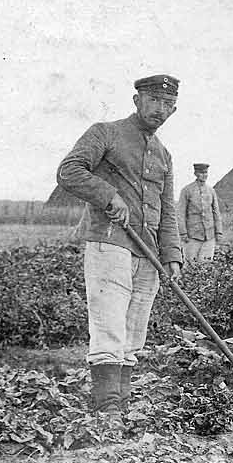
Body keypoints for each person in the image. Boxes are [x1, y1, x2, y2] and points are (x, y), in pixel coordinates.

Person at [55, 73, 185, 419]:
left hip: (149, 253)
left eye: (168, 104)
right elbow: (69, 171)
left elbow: (168, 210)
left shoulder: (164, 155)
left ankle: (122, 406)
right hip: (110, 242)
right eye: (155, 101)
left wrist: (172, 255)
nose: (161, 109)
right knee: (109, 325)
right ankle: (107, 410)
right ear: (137, 101)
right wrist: (108, 195)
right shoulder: (106, 133)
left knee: (133, 332)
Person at [179, 162, 225, 263]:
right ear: (195, 173)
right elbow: (181, 214)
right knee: (190, 265)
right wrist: (183, 233)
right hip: (192, 236)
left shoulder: (211, 191)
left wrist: (218, 232)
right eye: (201, 172)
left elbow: (216, 212)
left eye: (206, 172)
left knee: (206, 266)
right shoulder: (186, 190)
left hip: (209, 236)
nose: (204, 175)